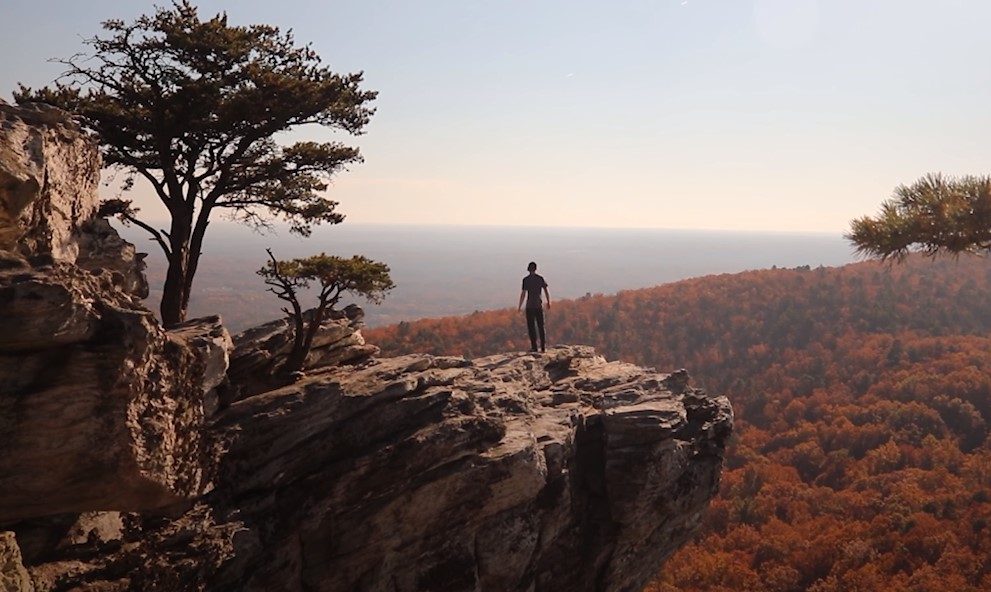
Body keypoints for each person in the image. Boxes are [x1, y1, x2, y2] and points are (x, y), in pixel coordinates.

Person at [518, 261, 550, 352]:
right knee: (541, 326)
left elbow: (523, 294)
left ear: (528, 269)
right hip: (538, 305)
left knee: (531, 327)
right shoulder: (540, 278)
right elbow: (546, 290)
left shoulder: (526, 280)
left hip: (529, 306)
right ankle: (543, 347)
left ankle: (534, 347)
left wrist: (520, 306)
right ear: (536, 269)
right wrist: (548, 301)